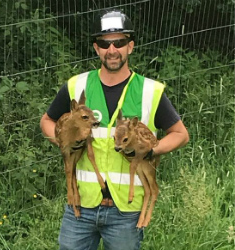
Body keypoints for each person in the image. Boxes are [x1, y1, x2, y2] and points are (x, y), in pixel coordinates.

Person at [40, 9, 189, 250]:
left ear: (130, 46)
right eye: (104, 43)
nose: (112, 50)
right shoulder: (76, 85)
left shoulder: (149, 91)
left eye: (119, 42)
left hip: (125, 212)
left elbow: (181, 135)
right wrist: (63, 141)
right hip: (81, 207)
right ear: (96, 48)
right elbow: (47, 120)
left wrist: (150, 151)